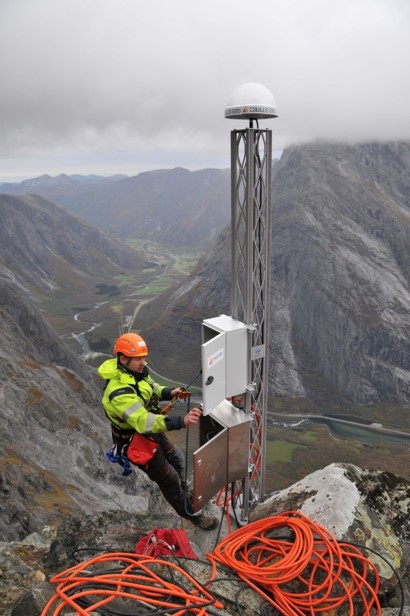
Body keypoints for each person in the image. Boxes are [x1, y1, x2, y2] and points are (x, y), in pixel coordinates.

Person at [97, 332, 217, 531]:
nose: (143, 362)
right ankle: (193, 516)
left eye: (144, 357)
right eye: (138, 358)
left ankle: (185, 496)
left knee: (177, 459)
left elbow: (151, 388)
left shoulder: (137, 373)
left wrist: (170, 392)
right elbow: (143, 421)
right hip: (136, 441)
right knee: (168, 479)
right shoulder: (119, 393)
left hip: (149, 432)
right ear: (123, 358)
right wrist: (181, 420)